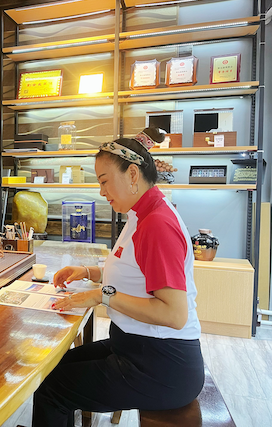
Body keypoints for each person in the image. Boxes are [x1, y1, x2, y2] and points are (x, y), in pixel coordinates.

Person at [32, 128, 204, 427]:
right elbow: (135, 272)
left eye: (104, 181)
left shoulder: (157, 224)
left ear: (133, 174)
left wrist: (102, 295)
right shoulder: (141, 214)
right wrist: (89, 272)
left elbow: (174, 314)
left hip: (162, 365)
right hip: (134, 346)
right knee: (51, 368)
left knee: (52, 390)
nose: (102, 192)